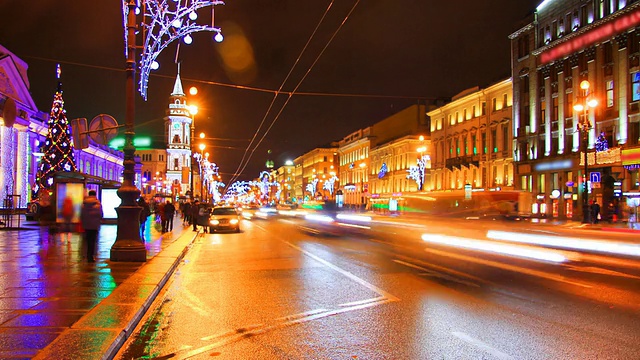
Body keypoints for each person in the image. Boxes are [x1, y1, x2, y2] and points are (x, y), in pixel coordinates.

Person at [80, 190, 103, 263]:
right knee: (93, 241)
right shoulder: (98, 203)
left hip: (86, 224)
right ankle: (91, 256)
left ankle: (86, 255)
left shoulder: (84, 203)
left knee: (87, 240)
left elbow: (81, 214)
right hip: (94, 225)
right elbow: (100, 214)